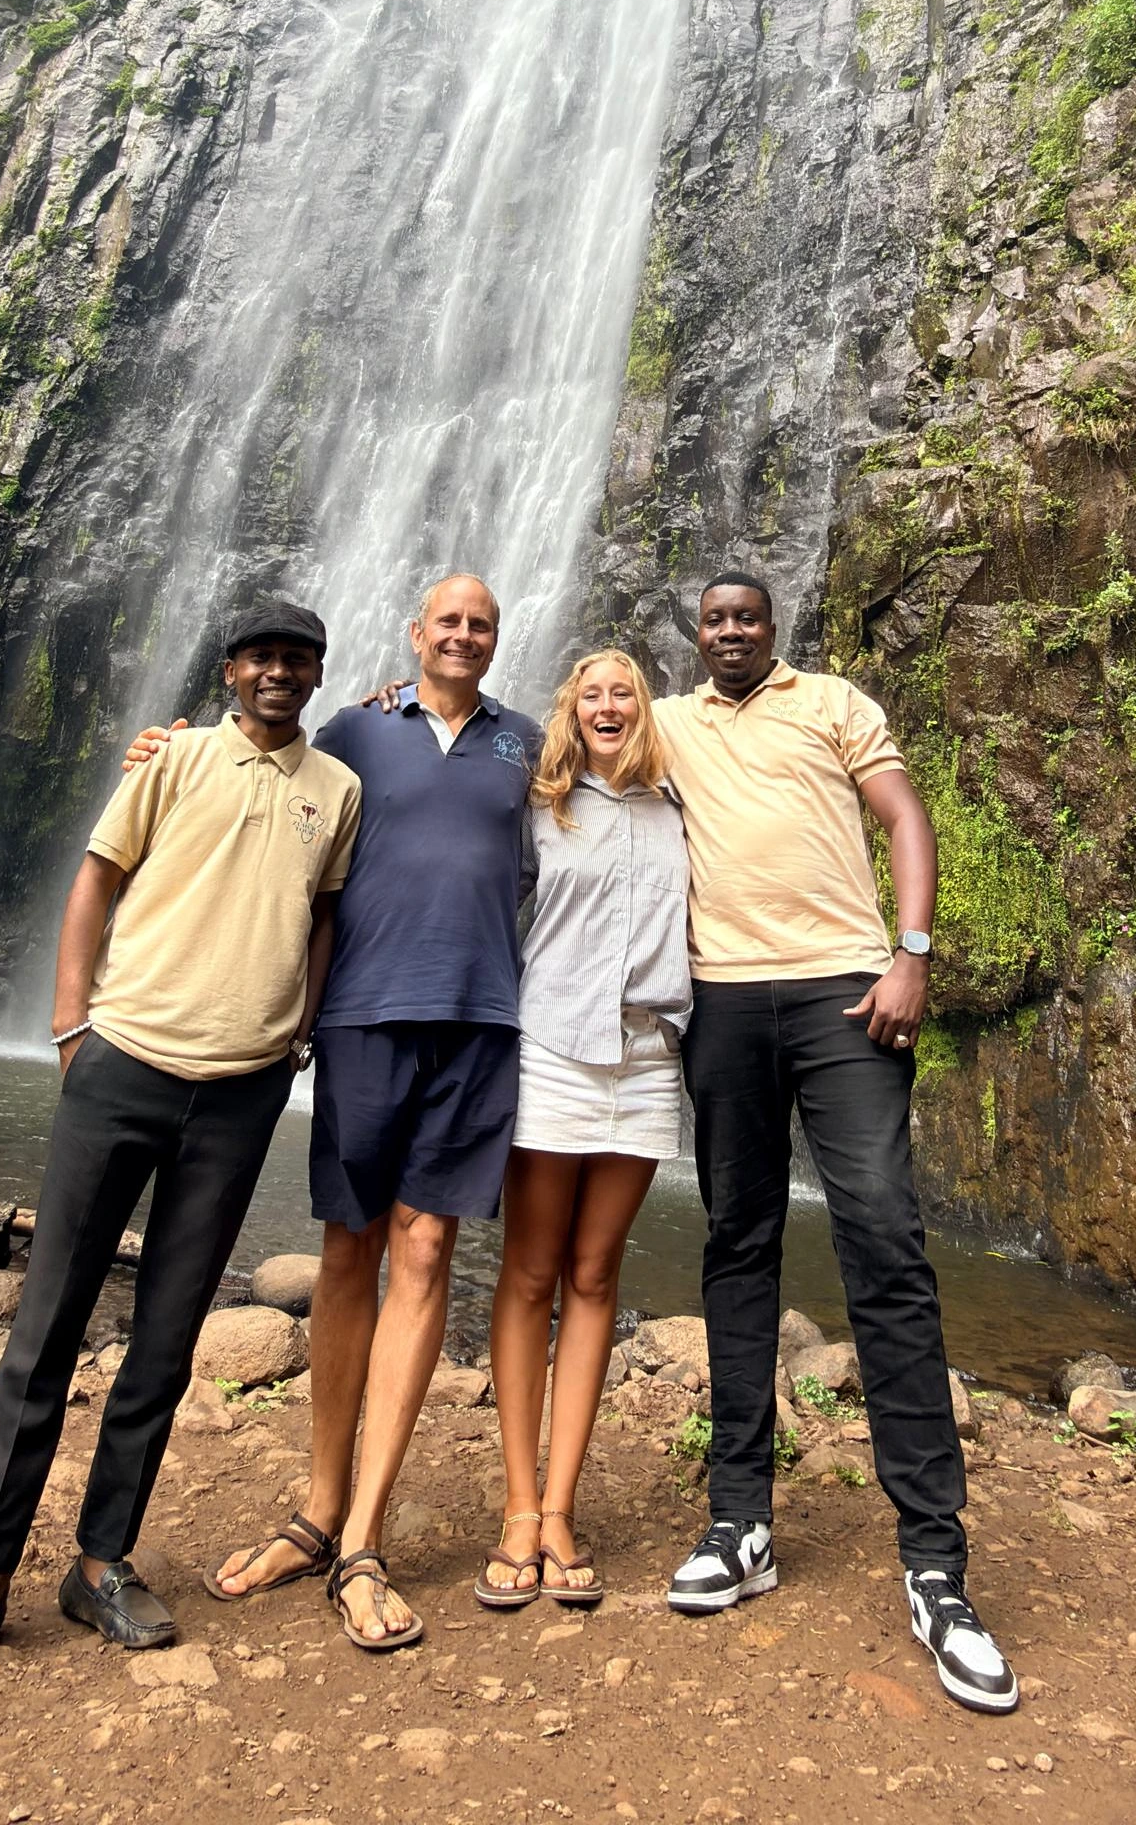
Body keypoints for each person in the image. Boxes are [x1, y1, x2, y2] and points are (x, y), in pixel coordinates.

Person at [0, 600, 359, 1685]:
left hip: (242, 1092)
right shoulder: (173, 757)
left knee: (166, 1340)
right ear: (234, 668)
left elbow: (326, 915)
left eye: (299, 659)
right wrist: (68, 1024)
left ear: (318, 676)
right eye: (263, 656)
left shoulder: (339, 790)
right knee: (44, 1326)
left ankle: (100, 1563)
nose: (279, 672)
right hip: (124, 1065)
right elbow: (97, 874)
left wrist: (300, 1028)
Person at [129, 573, 541, 1654]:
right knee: (347, 1248)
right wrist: (162, 749)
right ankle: (317, 1507)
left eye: (481, 624)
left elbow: (606, 804)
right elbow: (268, 766)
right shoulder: (355, 726)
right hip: (360, 1016)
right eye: (447, 620)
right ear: (416, 635)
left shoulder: (528, 743)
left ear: (498, 640)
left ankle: (363, 1535)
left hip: (481, 1021)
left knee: (428, 1245)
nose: (464, 634)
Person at [654, 572, 1018, 1718]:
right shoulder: (668, 722)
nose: (729, 633)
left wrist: (910, 952)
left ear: (773, 629)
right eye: (713, 621)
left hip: (847, 996)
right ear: (695, 637)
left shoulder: (833, 702)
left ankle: (937, 1568)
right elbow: (562, 742)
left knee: (884, 1242)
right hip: (721, 999)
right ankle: (740, 1520)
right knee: (736, 1245)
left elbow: (905, 814)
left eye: (746, 619)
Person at [475, 650, 690, 1612]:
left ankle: (562, 1507)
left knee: (595, 1275)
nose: (608, 706)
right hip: (553, 1048)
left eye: (624, 693)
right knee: (529, 1272)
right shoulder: (538, 805)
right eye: (591, 694)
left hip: (648, 1060)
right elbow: (477, 891)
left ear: (646, 710)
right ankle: (520, 1507)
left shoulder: (683, 801)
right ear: (570, 710)